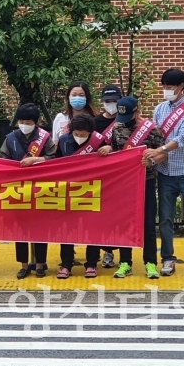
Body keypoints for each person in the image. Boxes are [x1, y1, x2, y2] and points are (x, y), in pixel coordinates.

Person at [146, 68, 184, 279]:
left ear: (181, 87)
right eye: (164, 86)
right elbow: (154, 135)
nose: (166, 90)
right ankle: (168, 258)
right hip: (165, 171)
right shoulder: (160, 109)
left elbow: (183, 139)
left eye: (170, 87)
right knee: (165, 219)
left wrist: (160, 150)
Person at [0, 102, 55, 279]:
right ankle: (24, 265)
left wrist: (37, 160)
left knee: (40, 228)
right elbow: (2, 159)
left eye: (28, 121)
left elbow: (54, 158)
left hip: (41, 189)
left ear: (36, 122)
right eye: (21, 121)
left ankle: (40, 264)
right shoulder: (11, 138)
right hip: (18, 190)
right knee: (20, 229)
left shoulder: (45, 138)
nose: (24, 124)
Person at [110, 95, 163, 280]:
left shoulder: (152, 129)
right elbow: (115, 152)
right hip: (125, 183)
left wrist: (152, 161)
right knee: (125, 223)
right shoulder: (117, 129)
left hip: (146, 181)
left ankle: (150, 263)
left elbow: (163, 155)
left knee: (148, 224)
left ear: (137, 111)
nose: (125, 122)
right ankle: (125, 262)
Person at [54, 113, 110, 279]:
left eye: (83, 135)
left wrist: (110, 148)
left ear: (90, 133)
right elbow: (55, 163)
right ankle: (66, 264)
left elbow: (115, 159)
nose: (79, 137)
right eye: (76, 134)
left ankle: (91, 263)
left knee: (92, 227)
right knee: (66, 228)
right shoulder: (64, 140)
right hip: (68, 191)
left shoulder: (99, 140)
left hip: (93, 190)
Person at [93, 83, 123, 268]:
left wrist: (113, 148)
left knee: (118, 216)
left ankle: (122, 253)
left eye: (114, 101)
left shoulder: (126, 119)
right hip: (100, 176)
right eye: (107, 101)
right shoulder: (95, 122)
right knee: (100, 216)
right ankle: (105, 252)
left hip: (120, 175)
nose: (111, 104)